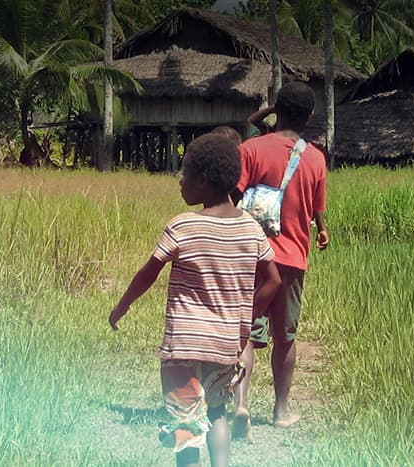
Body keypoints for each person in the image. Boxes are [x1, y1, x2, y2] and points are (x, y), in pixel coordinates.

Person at [110, 134, 282, 467]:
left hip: (184, 346)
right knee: (217, 412)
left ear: (203, 180)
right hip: (225, 344)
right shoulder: (250, 228)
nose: (180, 181)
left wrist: (123, 305)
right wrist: (246, 319)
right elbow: (273, 280)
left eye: (185, 174)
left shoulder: (182, 226)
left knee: (186, 421)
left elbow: (149, 273)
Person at [233, 81, 329, 437]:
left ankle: (240, 404)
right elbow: (317, 208)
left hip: (251, 256)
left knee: (245, 333)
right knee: (285, 338)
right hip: (291, 259)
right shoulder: (316, 158)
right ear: (311, 116)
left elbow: (233, 194)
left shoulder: (251, 148)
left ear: (277, 109)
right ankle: (281, 410)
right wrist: (322, 229)